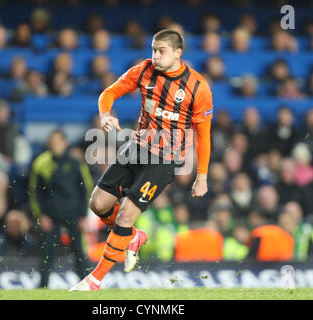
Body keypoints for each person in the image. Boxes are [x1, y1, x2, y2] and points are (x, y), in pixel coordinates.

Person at [70, 29, 213, 291]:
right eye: (153, 50)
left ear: (178, 53)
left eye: (162, 51)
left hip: (166, 158)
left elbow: (204, 135)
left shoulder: (198, 88)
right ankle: (133, 237)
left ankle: (94, 280)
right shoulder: (144, 71)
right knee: (98, 204)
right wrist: (104, 115)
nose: (155, 56)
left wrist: (201, 176)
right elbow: (108, 93)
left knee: (126, 215)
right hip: (137, 147)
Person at [29, 130, 94, 288]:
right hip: (50, 216)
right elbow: (35, 191)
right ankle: (43, 285)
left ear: (65, 143)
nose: (55, 145)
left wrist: (84, 214)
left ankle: (87, 283)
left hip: (74, 214)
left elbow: (85, 189)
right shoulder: (41, 164)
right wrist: (41, 215)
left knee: (79, 251)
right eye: (52, 142)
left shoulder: (76, 163)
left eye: (58, 141)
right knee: (47, 252)